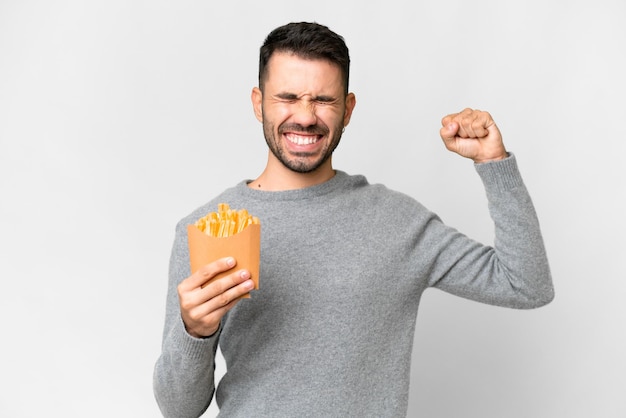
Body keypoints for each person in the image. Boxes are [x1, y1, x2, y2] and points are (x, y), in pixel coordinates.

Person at [153, 22, 554, 418]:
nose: (306, 117)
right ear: (259, 103)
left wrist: (494, 164)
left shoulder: (397, 221)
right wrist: (195, 331)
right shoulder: (205, 229)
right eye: (288, 97)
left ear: (348, 109)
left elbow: (526, 285)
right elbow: (178, 409)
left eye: (324, 100)